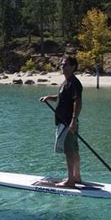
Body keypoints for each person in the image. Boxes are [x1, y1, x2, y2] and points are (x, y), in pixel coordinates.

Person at [40, 56, 83, 187]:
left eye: (65, 65)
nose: (62, 67)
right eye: (61, 65)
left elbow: (78, 101)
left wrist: (74, 120)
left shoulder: (74, 83)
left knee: (69, 150)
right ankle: (76, 176)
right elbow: (62, 98)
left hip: (68, 122)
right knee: (74, 149)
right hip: (66, 122)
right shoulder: (66, 82)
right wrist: (49, 98)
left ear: (73, 67)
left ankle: (70, 181)